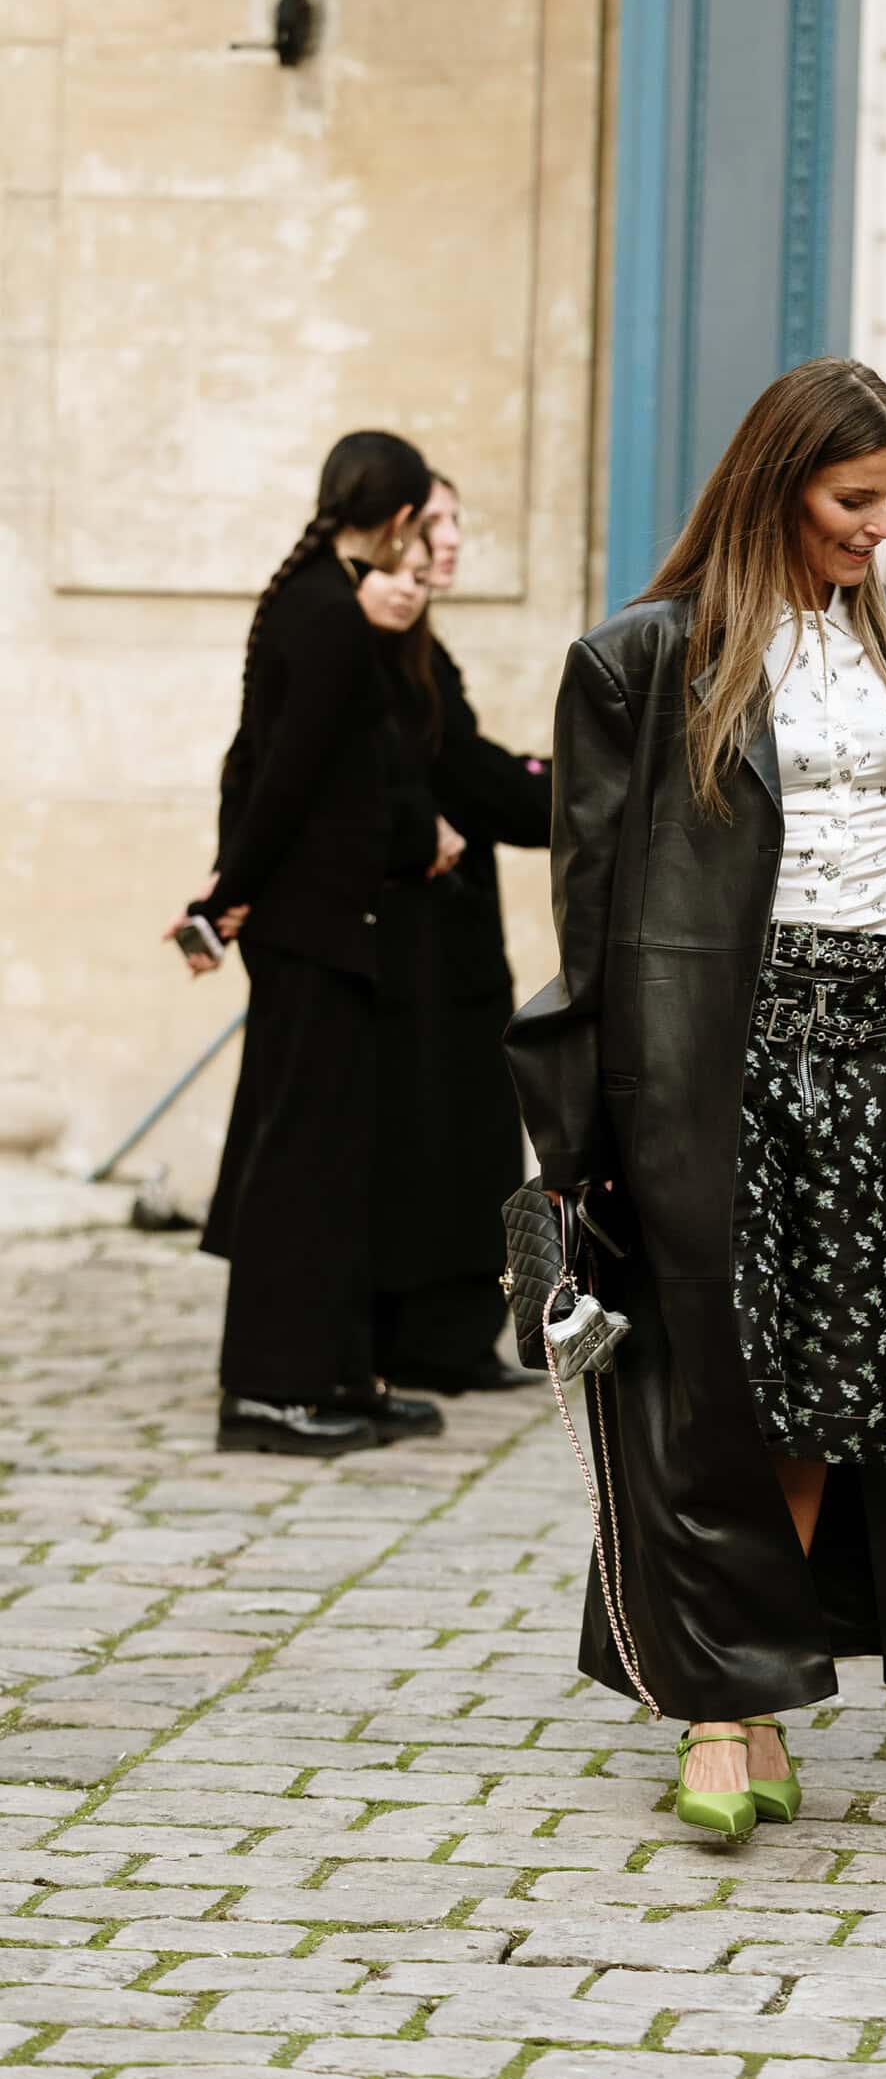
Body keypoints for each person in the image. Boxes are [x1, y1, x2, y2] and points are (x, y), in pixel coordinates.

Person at [506, 357, 886, 1844]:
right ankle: (721, 1711)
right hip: (713, 1043)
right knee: (710, 1375)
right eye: (858, 498)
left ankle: (749, 1676)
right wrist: (577, 1126)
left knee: (830, 1384)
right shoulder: (641, 659)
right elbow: (589, 912)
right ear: (779, 483)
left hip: (873, 1043)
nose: (881, 524)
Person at [171, 430, 445, 1457]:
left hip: (321, 926)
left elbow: (256, 766)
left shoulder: (310, 599)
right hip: (314, 930)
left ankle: (335, 1371)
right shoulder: (327, 615)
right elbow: (277, 778)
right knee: (300, 1166)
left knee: (336, 1161)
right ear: (402, 519)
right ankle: (266, 1392)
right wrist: (227, 893)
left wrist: (230, 888)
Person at [367, 478, 553, 1392]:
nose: (450, 540)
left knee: (467, 1133)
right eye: (433, 522)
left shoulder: (416, 646)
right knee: (442, 1135)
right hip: (416, 939)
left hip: (449, 932)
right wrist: (569, 789)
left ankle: (448, 1334)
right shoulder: (383, 645)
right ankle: (432, 1339)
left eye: (454, 521)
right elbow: (463, 771)